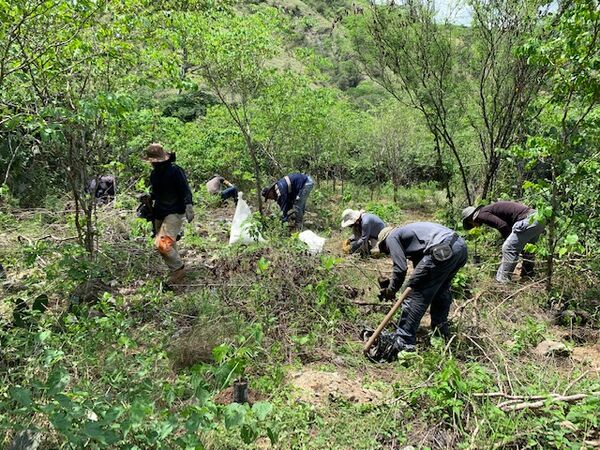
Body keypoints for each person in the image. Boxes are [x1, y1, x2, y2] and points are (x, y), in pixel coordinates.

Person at [369, 222, 468, 362]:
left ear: (384, 243)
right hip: (459, 247)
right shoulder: (410, 238)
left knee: (414, 294)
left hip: (442, 248)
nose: (388, 252)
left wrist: (392, 290)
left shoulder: (392, 237)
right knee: (440, 291)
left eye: (386, 250)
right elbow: (421, 270)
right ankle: (440, 333)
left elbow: (400, 268)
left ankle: (404, 342)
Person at [143, 143, 194, 283]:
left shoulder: (175, 171)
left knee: (163, 244)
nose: (153, 164)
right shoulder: (154, 174)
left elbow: (185, 189)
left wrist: (189, 205)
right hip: (159, 211)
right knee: (169, 244)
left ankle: (179, 270)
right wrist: (148, 198)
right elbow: (156, 192)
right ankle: (177, 274)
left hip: (175, 211)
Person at [462, 201, 544, 282]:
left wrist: (508, 241)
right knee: (528, 248)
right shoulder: (487, 210)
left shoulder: (481, 214)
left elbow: (502, 225)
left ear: (471, 219)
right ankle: (528, 275)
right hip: (538, 218)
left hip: (528, 219)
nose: (474, 226)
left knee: (508, 248)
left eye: (472, 224)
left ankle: (502, 281)